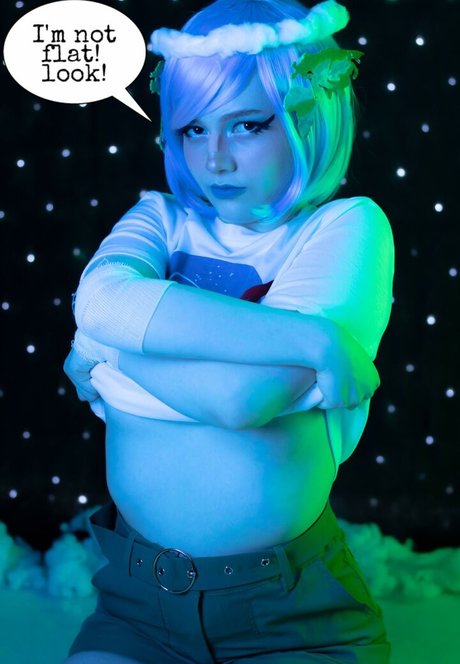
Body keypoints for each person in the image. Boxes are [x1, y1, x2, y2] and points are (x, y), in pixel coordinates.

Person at [63, 0, 394, 661]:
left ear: (306, 119)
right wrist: (313, 340)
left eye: (245, 125)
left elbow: (242, 399)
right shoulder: (159, 218)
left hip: (290, 611)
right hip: (136, 600)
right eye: (193, 129)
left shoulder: (345, 227)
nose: (213, 159)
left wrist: (111, 353)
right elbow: (100, 303)